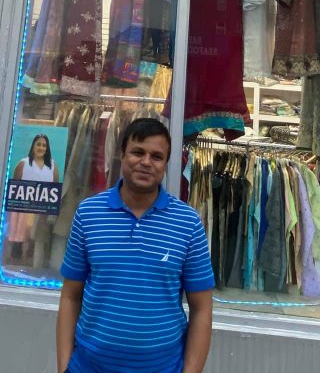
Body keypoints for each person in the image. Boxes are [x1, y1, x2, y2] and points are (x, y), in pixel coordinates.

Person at [56, 118, 214, 373]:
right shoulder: (88, 213)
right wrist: (63, 366)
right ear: (122, 154)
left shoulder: (188, 223)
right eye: (138, 152)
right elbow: (70, 296)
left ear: (165, 164)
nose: (146, 162)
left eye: (157, 156)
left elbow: (202, 308)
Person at [6, 134, 60, 264]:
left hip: (42, 214)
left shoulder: (53, 166)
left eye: (44, 145)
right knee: (19, 245)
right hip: (23, 213)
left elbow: (55, 190)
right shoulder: (23, 164)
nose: (41, 148)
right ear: (33, 146)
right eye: (38, 144)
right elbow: (14, 190)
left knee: (38, 242)